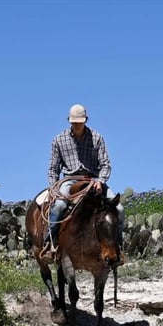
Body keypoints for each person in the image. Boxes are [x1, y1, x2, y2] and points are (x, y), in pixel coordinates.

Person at [41, 103, 125, 262]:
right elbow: (53, 168)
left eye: (80, 121)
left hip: (93, 179)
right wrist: (54, 187)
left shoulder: (97, 137)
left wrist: (101, 181)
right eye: (74, 121)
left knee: (119, 209)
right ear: (69, 121)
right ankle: (50, 245)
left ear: (85, 120)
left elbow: (105, 164)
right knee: (58, 206)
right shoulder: (59, 140)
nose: (77, 124)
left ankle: (118, 247)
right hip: (69, 179)